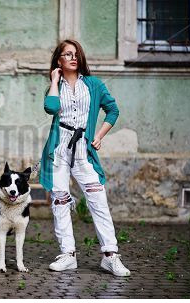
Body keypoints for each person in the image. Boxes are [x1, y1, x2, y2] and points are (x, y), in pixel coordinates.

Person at [39, 39, 130, 276]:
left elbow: (113, 110)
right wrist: (54, 80)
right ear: (59, 60)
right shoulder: (54, 87)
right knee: (60, 200)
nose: (73, 57)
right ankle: (68, 254)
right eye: (67, 54)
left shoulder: (94, 85)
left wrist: (99, 135)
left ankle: (110, 256)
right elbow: (50, 107)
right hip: (58, 150)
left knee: (98, 200)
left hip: (84, 151)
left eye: (76, 53)